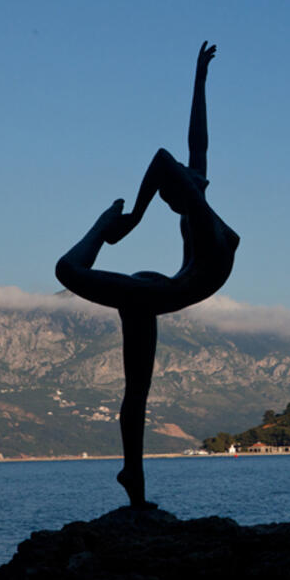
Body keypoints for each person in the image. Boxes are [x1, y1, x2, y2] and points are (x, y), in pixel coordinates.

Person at [56, 42, 239, 509]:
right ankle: (134, 482)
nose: (191, 175)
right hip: (159, 288)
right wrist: (200, 78)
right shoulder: (200, 217)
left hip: (166, 289)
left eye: (187, 181)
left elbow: (165, 158)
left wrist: (132, 218)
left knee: (68, 269)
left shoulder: (203, 217)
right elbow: (196, 142)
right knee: (136, 388)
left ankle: (101, 224)